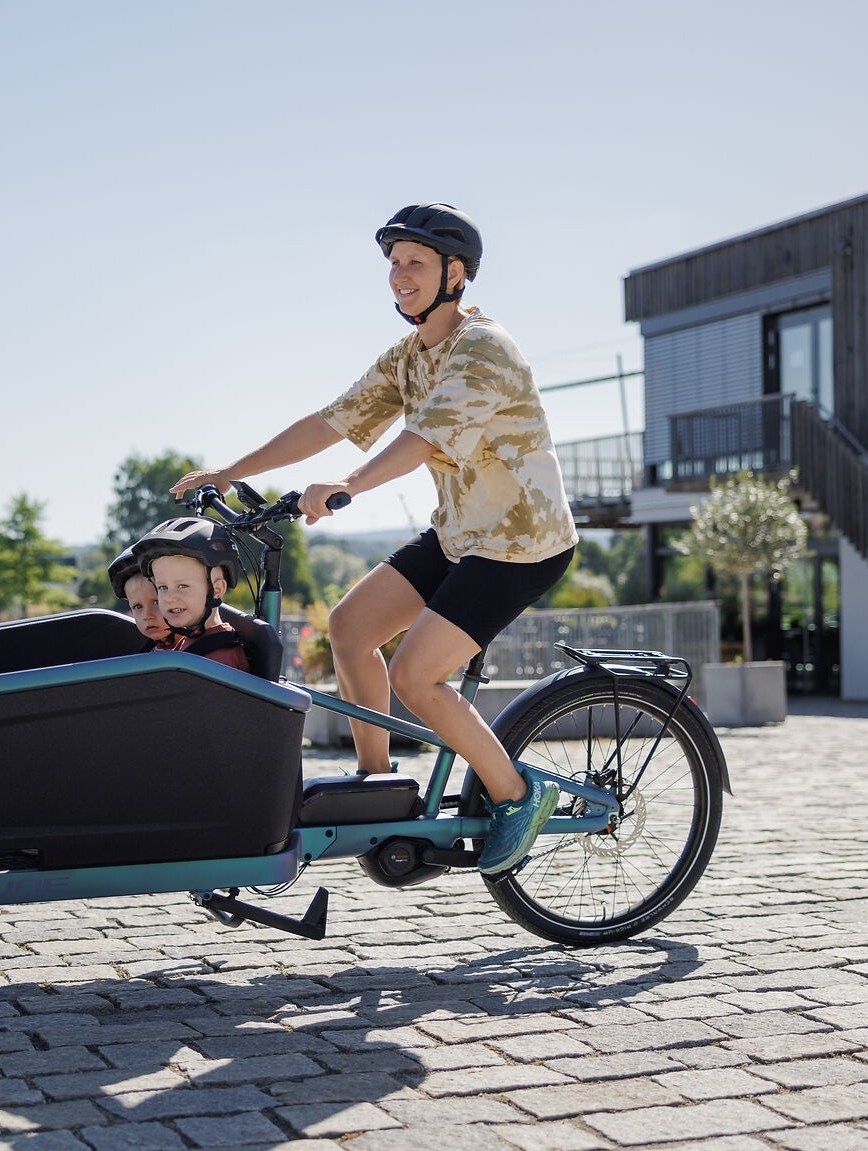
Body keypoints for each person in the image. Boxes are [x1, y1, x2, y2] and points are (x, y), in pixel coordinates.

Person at [172, 203, 580, 875]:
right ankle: (379, 786)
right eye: (393, 264)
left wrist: (349, 485)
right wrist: (229, 471)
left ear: (455, 273)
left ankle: (518, 793)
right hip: (459, 534)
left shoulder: (484, 349)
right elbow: (332, 420)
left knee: (417, 675)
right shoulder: (409, 356)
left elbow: (420, 440)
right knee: (350, 626)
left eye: (415, 262)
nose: (399, 276)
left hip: (519, 541)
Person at [131, 517, 251, 674]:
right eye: (163, 587)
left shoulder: (218, 659)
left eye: (182, 586)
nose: (170, 597)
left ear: (216, 589)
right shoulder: (192, 641)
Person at [108, 550, 174, 648]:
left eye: (156, 602)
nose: (147, 615)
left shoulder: (196, 651)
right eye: (138, 606)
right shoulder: (146, 651)